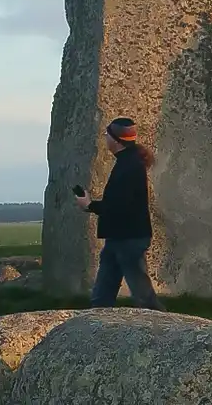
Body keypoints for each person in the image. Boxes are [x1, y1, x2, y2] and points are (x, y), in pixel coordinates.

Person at [73, 117, 164, 310]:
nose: (105, 139)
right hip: (119, 237)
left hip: (129, 238)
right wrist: (91, 205)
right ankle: (96, 325)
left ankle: (165, 329)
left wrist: (89, 205)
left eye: (107, 135)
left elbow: (119, 206)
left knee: (143, 297)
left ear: (116, 139)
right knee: (101, 296)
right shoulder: (128, 163)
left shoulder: (129, 167)